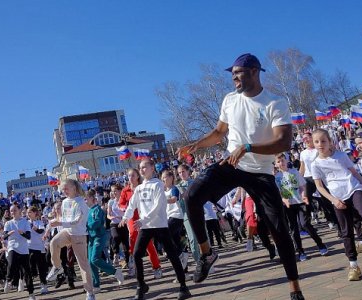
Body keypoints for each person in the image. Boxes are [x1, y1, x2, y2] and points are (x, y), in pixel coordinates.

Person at [178, 53, 303, 300]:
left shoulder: (274, 103)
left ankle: (295, 290)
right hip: (231, 165)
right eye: (232, 74)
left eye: (239, 73)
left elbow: (284, 141)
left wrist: (247, 147)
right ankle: (207, 254)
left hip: (260, 173)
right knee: (191, 196)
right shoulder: (229, 100)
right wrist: (196, 145)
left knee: (279, 230)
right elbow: (219, 132)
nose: (234, 78)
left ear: (255, 71)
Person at [310, 129, 362, 281]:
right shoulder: (315, 164)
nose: (320, 144)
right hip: (337, 198)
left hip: (354, 189)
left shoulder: (341, 156)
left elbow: (354, 173)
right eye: (317, 142)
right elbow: (320, 187)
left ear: (330, 142)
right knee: (346, 232)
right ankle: (354, 265)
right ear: (313, 144)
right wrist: (333, 200)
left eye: (323, 141)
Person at [120, 159, 191, 300]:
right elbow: (132, 205)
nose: (142, 170)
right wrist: (125, 217)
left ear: (152, 168)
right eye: (140, 168)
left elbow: (158, 206)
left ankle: (183, 286)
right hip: (146, 227)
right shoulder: (139, 188)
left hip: (159, 225)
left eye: (144, 167)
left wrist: (143, 220)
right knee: (136, 254)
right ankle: (141, 286)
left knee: (172, 255)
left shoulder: (158, 184)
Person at [45, 179, 95, 300]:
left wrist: (59, 222)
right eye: (63, 189)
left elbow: (76, 221)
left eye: (66, 188)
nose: (64, 191)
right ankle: (58, 267)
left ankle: (90, 292)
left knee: (82, 263)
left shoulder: (81, 202)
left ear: (74, 187)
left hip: (79, 234)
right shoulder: (65, 202)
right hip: (67, 232)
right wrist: (52, 223)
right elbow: (64, 218)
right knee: (54, 243)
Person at [274, 153, 328, 261]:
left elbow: (302, 185)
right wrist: (284, 199)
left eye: (283, 160)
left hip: (300, 202)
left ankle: (320, 244)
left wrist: (304, 196)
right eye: (278, 162)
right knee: (293, 229)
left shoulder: (294, 172)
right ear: (275, 164)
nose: (281, 163)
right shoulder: (276, 178)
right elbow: (278, 192)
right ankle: (300, 251)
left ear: (287, 160)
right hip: (288, 205)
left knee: (305, 224)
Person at [118, 168, 162, 278]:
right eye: (129, 175)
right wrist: (126, 207)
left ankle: (156, 267)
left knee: (148, 243)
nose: (130, 178)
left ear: (138, 176)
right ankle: (135, 267)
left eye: (133, 175)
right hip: (132, 217)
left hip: (144, 216)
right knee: (133, 237)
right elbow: (120, 204)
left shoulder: (143, 187)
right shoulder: (125, 190)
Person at [85, 189, 124, 293]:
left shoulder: (97, 209)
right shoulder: (88, 211)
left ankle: (115, 272)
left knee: (94, 259)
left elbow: (97, 223)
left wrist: (85, 225)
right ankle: (96, 285)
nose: (85, 201)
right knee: (90, 262)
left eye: (86, 199)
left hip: (99, 236)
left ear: (92, 198)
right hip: (91, 238)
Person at [2, 204, 35, 299]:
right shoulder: (8, 223)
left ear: (19, 210)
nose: (13, 212)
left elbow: (28, 236)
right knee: (11, 263)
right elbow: (4, 236)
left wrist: (23, 233)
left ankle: (31, 294)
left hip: (24, 249)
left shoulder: (25, 222)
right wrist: (8, 233)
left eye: (14, 210)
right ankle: (8, 281)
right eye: (11, 211)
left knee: (27, 272)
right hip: (12, 246)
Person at [27, 206, 49, 295]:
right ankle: (31, 283)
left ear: (35, 213)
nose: (28, 214)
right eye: (27, 212)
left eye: (30, 212)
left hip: (39, 247)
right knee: (31, 265)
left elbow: (41, 231)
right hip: (29, 246)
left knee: (41, 268)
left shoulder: (39, 222)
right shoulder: (25, 222)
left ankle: (44, 285)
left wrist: (35, 228)